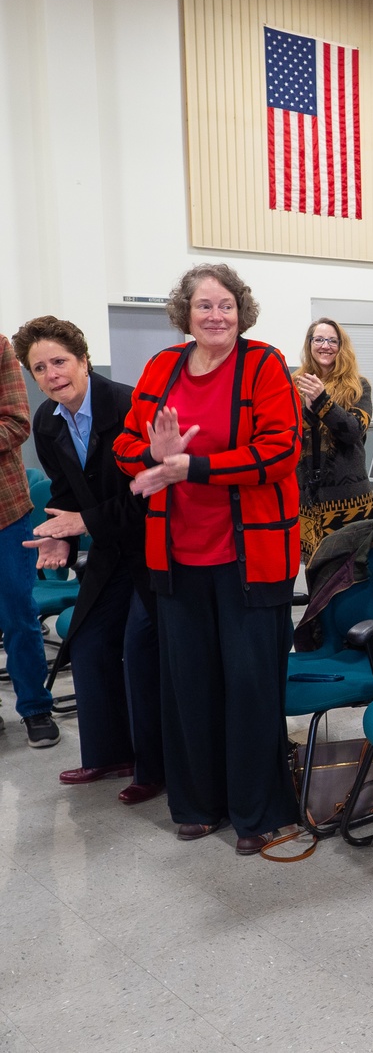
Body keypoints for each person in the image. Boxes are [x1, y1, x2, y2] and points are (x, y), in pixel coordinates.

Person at [113, 263, 300, 856]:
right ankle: (196, 805)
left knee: (249, 686)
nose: (215, 315)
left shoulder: (264, 362)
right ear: (184, 313)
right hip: (176, 554)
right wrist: (153, 451)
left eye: (225, 305)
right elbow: (124, 445)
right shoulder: (162, 367)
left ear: (240, 311)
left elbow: (280, 450)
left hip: (252, 555)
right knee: (188, 686)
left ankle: (257, 813)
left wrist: (192, 466)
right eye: (203, 306)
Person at [13, 317, 162, 803]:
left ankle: (152, 766)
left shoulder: (127, 404)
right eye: (40, 368)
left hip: (155, 546)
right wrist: (61, 539)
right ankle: (108, 754)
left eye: (59, 361)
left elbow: (149, 494)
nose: (52, 374)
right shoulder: (47, 420)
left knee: (139, 648)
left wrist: (83, 525)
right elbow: (63, 492)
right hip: (107, 547)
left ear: (82, 359)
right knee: (91, 641)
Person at [0, 332, 60, 749]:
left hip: (5, 512)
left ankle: (35, 707)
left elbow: (17, 422)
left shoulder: (0, 346)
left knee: (18, 615)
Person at [292, 318, 373, 562]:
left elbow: (352, 431)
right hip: (307, 495)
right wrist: (308, 409)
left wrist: (322, 401)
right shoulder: (296, 384)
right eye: (319, 339)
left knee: (348, 571)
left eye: (332, 341)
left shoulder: (359, 387)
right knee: (313, 566)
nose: (325, 346)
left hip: (348, 499)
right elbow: (291, 433)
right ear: (310, 344)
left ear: (341, 346)